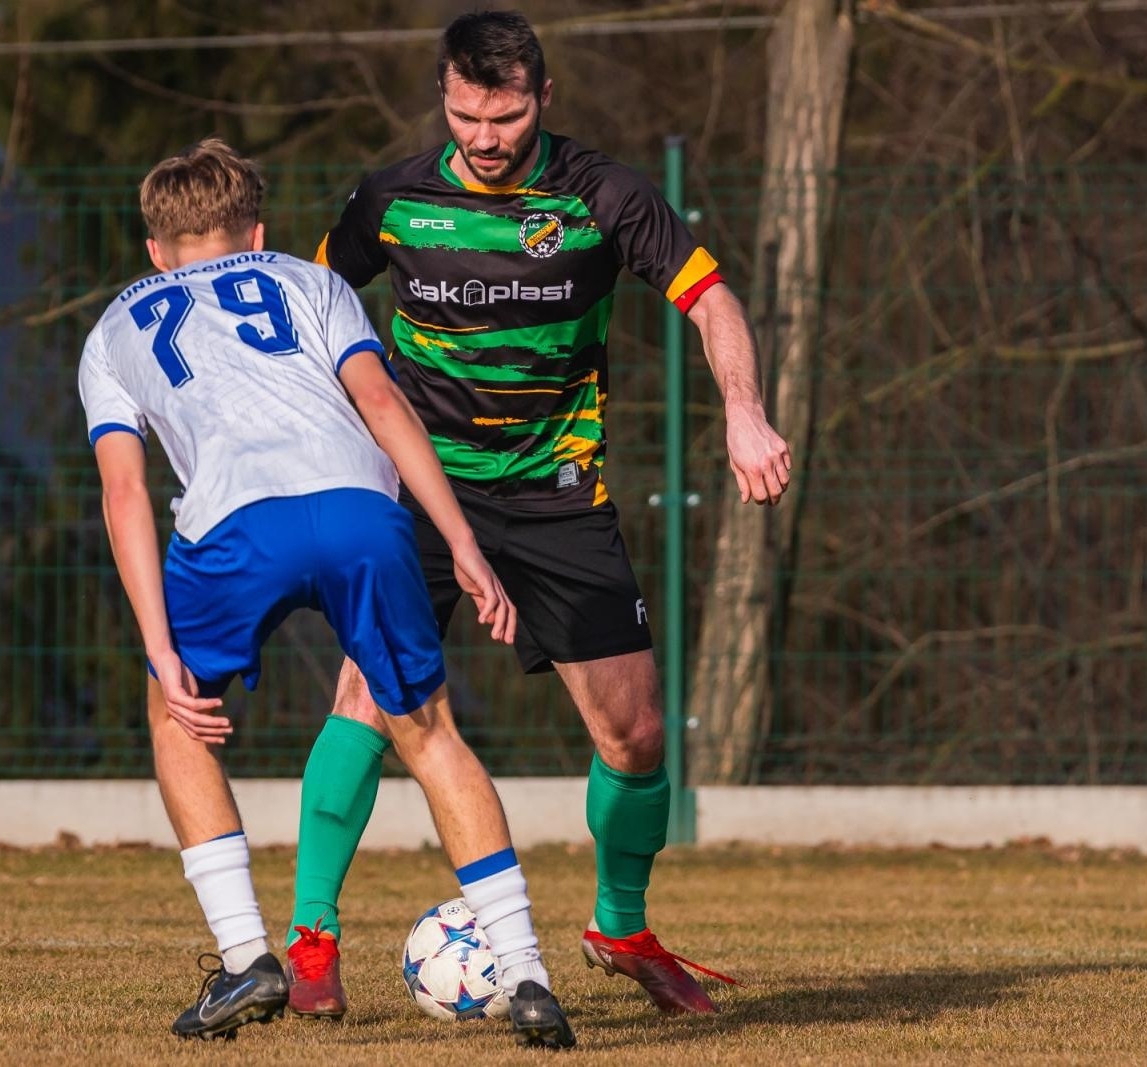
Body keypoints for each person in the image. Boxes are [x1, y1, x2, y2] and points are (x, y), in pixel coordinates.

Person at [302, 9, 791, 1017]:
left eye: (509, 115)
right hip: (421, 492)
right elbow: (313, 308)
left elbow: (710, 298)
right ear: (444, 97)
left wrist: (743, 408)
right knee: (367, 694)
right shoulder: (390, 199)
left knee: (637, 733)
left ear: (544, 99)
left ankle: (620, 924)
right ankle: (312, 942)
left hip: (559, 493)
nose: (488, 137)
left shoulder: (604, 194)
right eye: (470, 114)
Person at [79, 138, 575, 1048]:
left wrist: (158, 642)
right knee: (430, 732)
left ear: (155, 249)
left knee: (176, 719)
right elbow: (384, 405)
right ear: (257, 232)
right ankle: (530, 971)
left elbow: (124, 494)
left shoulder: (114, 327)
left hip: (235, 531)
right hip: (360, 513)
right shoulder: (312, 285)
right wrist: (461, 540)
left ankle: (244, 958)